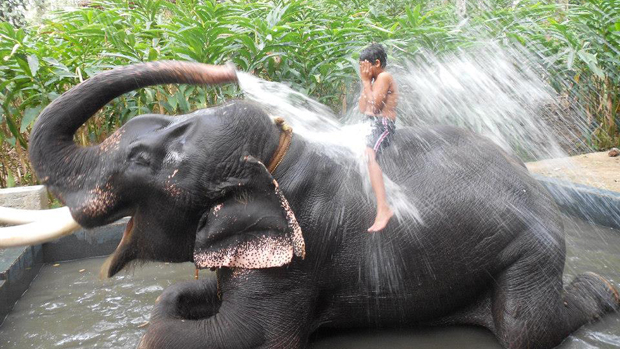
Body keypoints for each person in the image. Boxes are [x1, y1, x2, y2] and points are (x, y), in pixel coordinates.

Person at [358, 43, 399, 233]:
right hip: (371, 125)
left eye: (366, 66)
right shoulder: (373, 81)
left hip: (383, 124)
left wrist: (367, 83)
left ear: (376, 63)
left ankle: (384, 208)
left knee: (368, 155)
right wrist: (365, 83)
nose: (363, 71)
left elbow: (374, 109)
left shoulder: (383, 76)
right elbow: (362, 108)